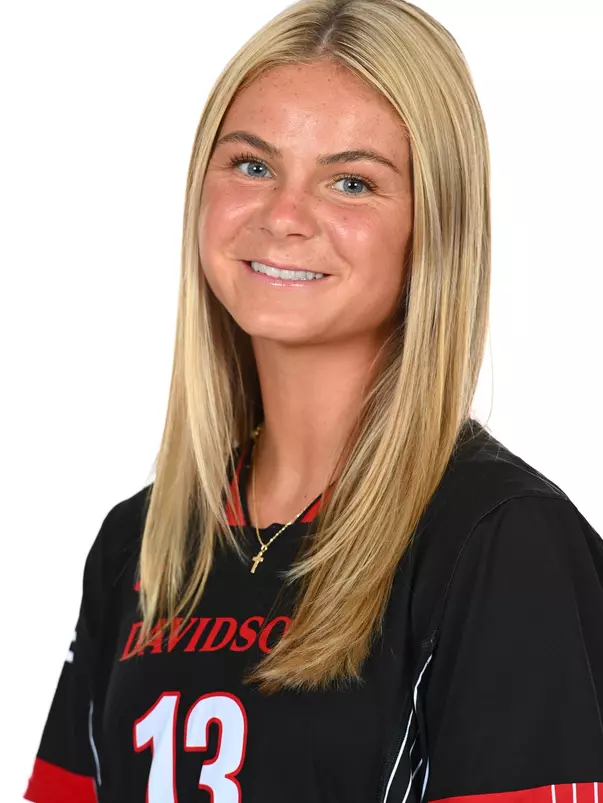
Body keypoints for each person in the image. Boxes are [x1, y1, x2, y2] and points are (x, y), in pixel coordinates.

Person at [25, 0, 603, 801]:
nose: (284, 217)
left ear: (433, 225)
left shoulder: (498, 541)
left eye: (351, 181)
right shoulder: (141, 539)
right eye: (253, 165)